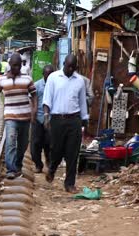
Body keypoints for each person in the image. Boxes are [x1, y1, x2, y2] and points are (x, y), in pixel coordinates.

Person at [0, 53, 37, 179]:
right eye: (14, 65)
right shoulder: (2, 80)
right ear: (10, 65)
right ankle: (10, 169)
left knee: (23, 144)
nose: (16, 68)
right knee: (11, 141)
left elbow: (34, 95)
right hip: (10, 116)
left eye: (19, 65)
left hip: (25, 116)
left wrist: (34, 111)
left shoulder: (27, 79)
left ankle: (18, 164)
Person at [43, 54, 89, 193]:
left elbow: (82, 102)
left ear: (76, 67)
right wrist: (46, 116)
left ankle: (69, 183)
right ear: (63, 63)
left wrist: (84, 119)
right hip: (57, 119)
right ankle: (52, 169)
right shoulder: (53, 78)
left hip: (74, 119)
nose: (70, 69)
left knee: (72, 152)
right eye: (68, 66)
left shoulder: (80, 81)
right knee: (56, 150)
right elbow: (47, 99)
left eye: (73, 67)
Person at [31, 65, 54, 173]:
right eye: (47, 74)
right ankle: (38, 164)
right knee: (36, 143)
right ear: (43, 74)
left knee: (49, 143)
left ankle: (49, 161)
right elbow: (31, 100)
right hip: (38, 118)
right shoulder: (37, 85)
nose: (49, 77)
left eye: (51, 74)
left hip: (51, 119)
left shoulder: (56, 86)